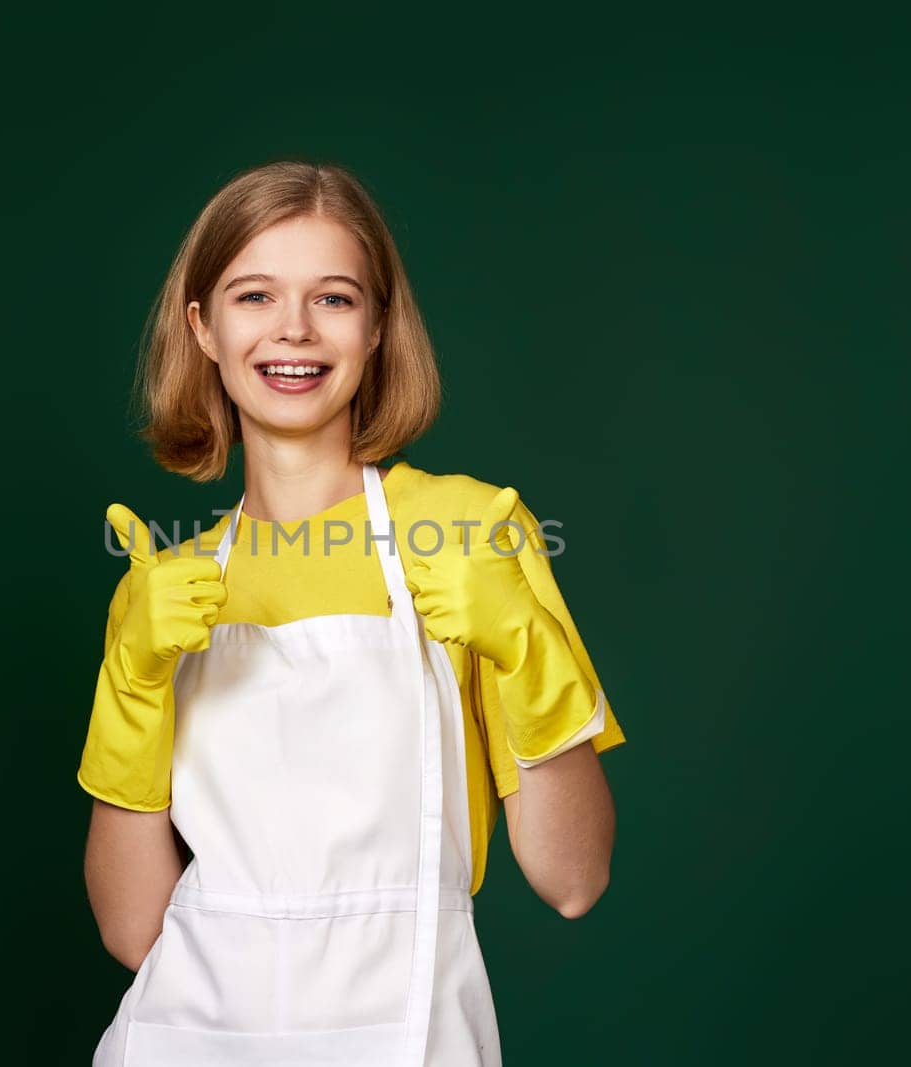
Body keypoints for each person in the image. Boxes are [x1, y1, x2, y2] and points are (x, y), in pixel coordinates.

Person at [77, 159, 625, 1066]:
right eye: (254, 295)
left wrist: (527, 652)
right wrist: (131, 685)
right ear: (203, 328)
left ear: (378, 328)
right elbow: (134, 930)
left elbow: (575, 879)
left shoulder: (469, 531)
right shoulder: (162, 585)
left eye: (333, 299)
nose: (293, 330)